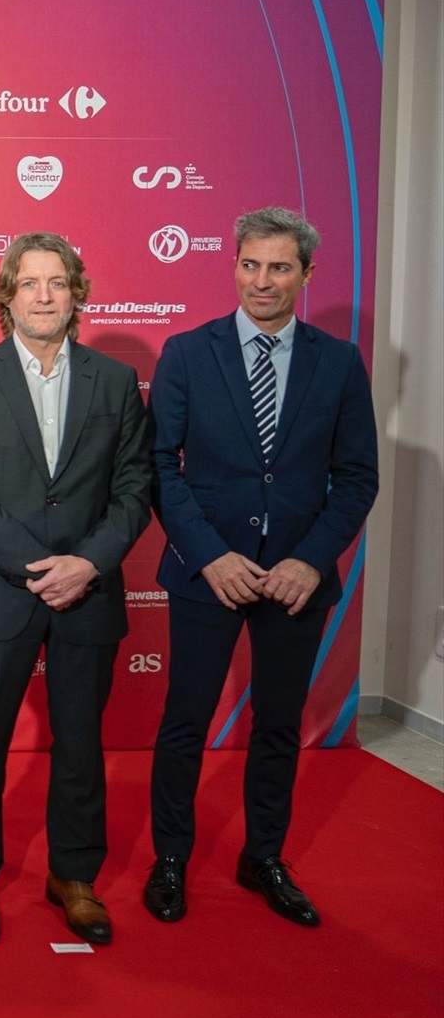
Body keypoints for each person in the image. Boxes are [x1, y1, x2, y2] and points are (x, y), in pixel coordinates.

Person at [143, 207, 377, 928]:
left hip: (293, 583)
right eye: (251, 265)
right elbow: (161, 467)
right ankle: (172, 859)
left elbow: (357, 475)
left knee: (278, 726)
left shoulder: (338, 362)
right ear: (234, 266)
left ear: (306, 275)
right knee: (185, 721)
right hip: (210, 572)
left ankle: (262, 856)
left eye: (280, 267)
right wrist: (210, 556)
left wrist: (311, 561)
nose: (262, 281)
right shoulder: (187, 352)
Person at [0, 232, 152, 946]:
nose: (42, 295)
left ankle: (74, 874)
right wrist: (41, 567)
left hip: (89, 591)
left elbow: (133, 489)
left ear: (76, 294)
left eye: (56, 283)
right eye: (28, 283)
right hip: (2, 588)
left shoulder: (115, 383)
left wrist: (85, 564)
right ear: (7, 296)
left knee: (82, 743)